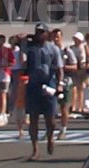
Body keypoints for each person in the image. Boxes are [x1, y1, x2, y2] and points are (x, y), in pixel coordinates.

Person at [25, 24, 64, 161]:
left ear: (47, 34)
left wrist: (60, 84)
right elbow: (14, 40)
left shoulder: (53, 49)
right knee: (33, 119)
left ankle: (50, 137)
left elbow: (59, 69)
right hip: (33, 86)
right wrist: (27, 37)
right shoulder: (30, 47)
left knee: (50, 120)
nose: (39, 34)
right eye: (37, 32)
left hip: (49, 84)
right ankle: (35, 149)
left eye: (42, 32)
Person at [52, 30, 74, 137]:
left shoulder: (66, 50)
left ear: (61, 37)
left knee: (64, 107)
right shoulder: (50, 50)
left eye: (57, 37)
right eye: (54, 37)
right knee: (50, 107)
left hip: (66, 82)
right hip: (52, 81)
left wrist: (62, 67)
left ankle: (63, 129)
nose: (55, 39)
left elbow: (75, 66)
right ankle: (50, 129)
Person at [69, 32, 89, 113]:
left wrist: (88, 65)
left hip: (82, 68)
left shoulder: (84, 47)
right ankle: (73, 105)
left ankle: (80, 106)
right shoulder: (72, 47)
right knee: (74, 87)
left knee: (80, 88)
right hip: (74, 68)